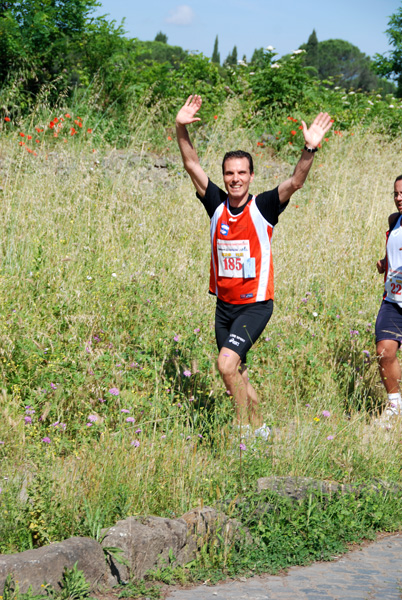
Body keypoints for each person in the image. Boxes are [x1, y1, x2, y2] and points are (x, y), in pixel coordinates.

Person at [176, 94, 332, 437]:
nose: (235, 179)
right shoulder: (215, 203)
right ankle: (261, 430)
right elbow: (191, 165)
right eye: (229, 173)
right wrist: (180, 127)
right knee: (237, 374)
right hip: (224, 307)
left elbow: (296, 182)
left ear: (251, 176)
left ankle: (242, 433)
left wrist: (309, 150)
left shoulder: (264, 206)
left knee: (225, 364)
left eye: (241, 173)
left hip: (255, 306)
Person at [376, 175, 402, 420]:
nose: (399, 198)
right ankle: (395, 407)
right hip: (393, 301)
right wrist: (385, 263)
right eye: (396, 194)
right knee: (384, 351)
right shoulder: (394, 221)